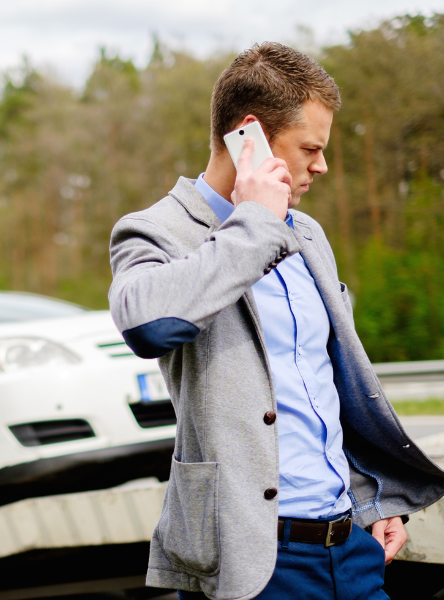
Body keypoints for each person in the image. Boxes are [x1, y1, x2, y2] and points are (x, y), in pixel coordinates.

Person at [108, 42, 444, 600]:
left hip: (353, 551)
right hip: (256, 565)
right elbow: (149, 326)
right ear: (251, 137)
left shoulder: (308, 234)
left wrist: (371, 498)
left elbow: (321, 388)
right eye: (310, 147)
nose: (322, 165)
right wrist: (256, 221)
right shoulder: (154, 231)